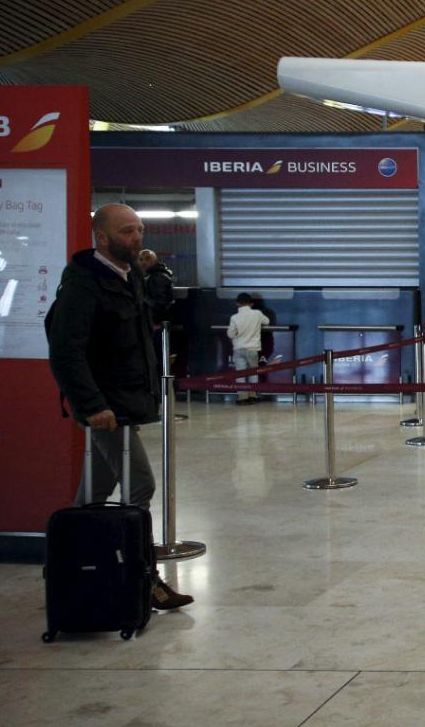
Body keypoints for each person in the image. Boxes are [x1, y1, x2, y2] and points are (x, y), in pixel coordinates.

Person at [47, 203, 193, 611]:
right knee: (140, 485)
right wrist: (92, 406)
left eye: (140, 230)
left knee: (92, 495)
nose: (137, 238)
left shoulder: (129, 278)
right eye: (127, 231)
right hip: (106, 410)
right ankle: (143, 576)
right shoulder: (83, 284)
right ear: (102, 237)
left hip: (126, 404)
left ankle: (74, 567)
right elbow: (65, 352)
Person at [227, 292, 270, 404]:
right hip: (252, 348)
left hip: (239, 348)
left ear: (237, 304)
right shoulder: (257, 313)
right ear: (251, 304)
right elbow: (267, 321)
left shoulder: (234, 317)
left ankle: (242, 397)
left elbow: (230, 334)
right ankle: (253, 395)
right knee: (253, 372)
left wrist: (237, 336)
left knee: (240, 374)